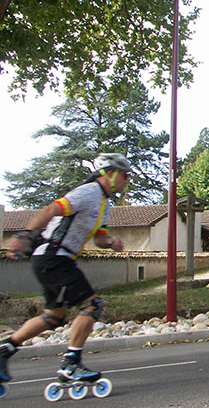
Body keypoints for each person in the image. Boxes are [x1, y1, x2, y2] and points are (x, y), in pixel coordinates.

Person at [0, 153, 131, 388]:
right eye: (124, 174)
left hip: (56, 260)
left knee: (53, 316)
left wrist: (111, 242)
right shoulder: (89, 191)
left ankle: (5, 350)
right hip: (54, 258)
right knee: (92, 305)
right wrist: (24, 236)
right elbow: (51, 209)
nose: (127, 179)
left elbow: (99, 238)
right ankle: (71, 364)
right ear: (109, 174)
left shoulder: (104, 203)